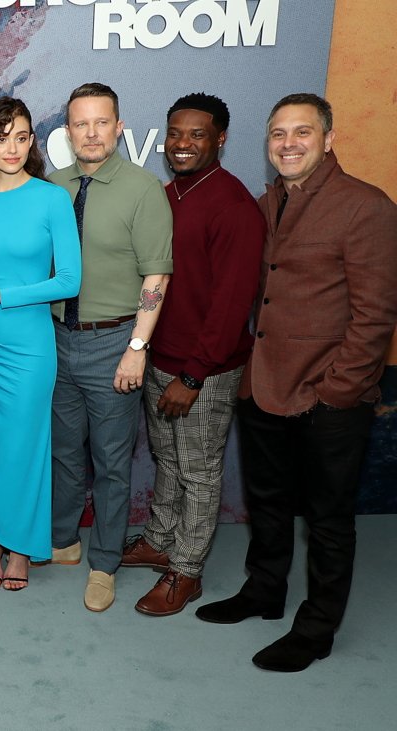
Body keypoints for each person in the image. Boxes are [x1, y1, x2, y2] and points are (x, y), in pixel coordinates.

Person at [196, 93, 397, 672]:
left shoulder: (366, 207)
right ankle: (264, 591)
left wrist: (339, 391)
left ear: (328, 139)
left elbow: (377, 314)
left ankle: (317, 627)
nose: (288, 143)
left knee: (329, 519)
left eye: (302, 132)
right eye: (278, 133)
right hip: (263, 385)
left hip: (330, 396)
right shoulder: (267, 203)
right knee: (268, 502)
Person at [124, 94, 264, 617]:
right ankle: (160, 538)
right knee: (167, 460)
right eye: (175, 133)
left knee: (201, 472)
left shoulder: (233, 207)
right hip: (160, 357)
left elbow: (231, 306)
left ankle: (185, 570)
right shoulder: (170, 194)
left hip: (202, 369)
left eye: (196, 134)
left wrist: (194, 373)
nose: (182, 144)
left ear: (221, 138)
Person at [46, 83, 173, 612]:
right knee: (65, 453)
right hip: (56, 341)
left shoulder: (144, 189)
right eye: (80, 124)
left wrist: (138, 346)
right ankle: (64, 540)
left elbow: (156, 273)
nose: (91, 133)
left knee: (112, 462)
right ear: (68, 131)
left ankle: (105, 564)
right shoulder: (51, 187)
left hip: (115, 343)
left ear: (118, 127)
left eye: (102, 122)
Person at [0, 97, 81, 592]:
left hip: (28, 344)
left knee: (23, 444)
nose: (12, 147)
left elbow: (69, 279)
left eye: (22, 137)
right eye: (2, 137)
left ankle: (21, 545)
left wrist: (4, 293)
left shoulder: (51, 199)